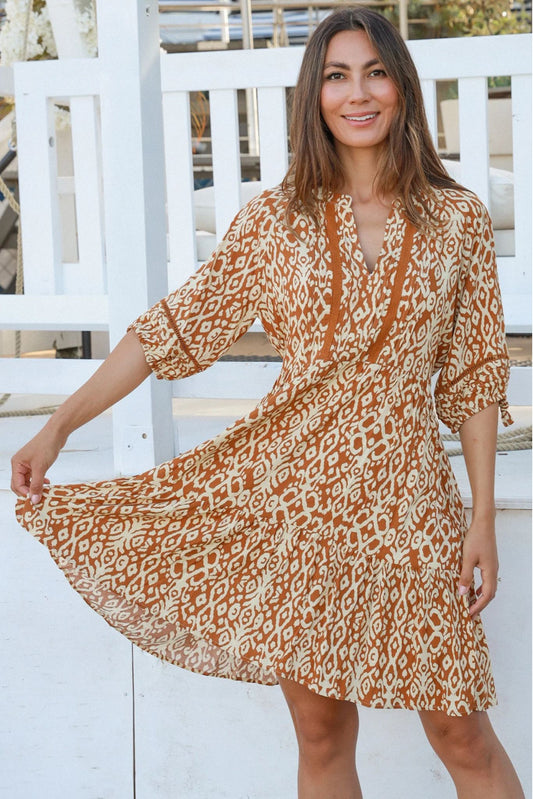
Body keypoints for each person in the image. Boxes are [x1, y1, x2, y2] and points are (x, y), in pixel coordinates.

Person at [11, 7, 524, 798]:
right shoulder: (275, 220)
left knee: (462, 731)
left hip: (409, 501)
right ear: (313, 96)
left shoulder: (454, 220)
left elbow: (473, 377)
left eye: (375, 72)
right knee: (322, 731)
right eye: (336, 75)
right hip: (295, 499)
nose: (358, 94)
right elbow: (169, 331)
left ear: (400, 87)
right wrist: (56, 428)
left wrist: (482, 516)